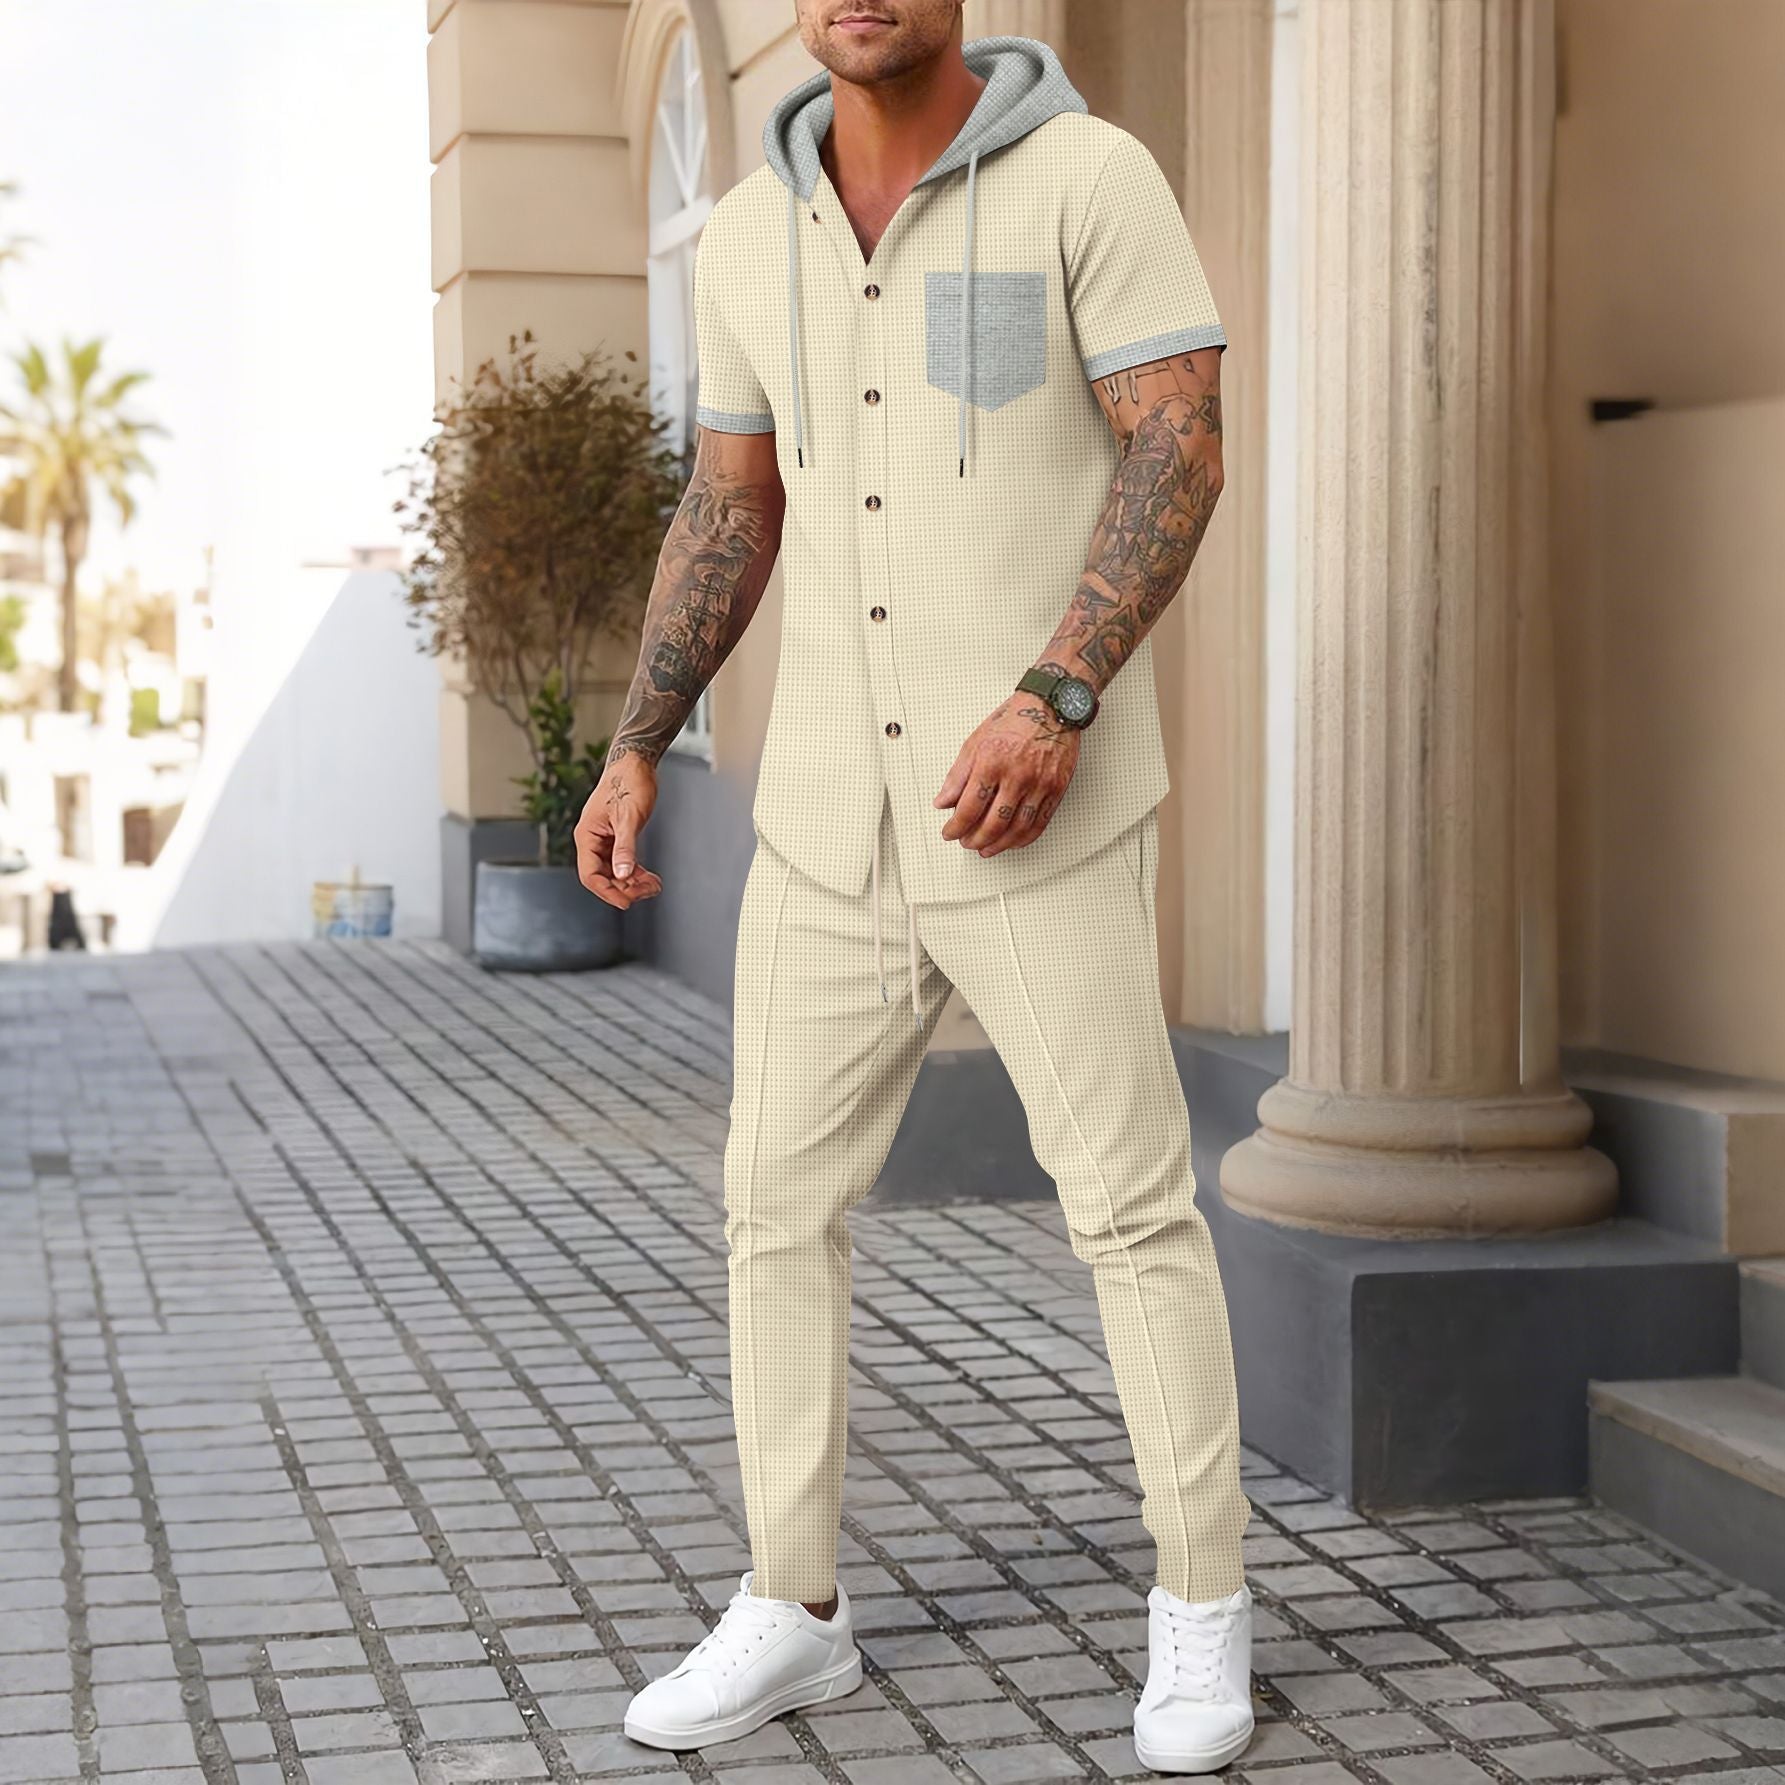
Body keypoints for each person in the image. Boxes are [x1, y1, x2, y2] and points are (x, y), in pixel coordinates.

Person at [576, 2, 1254, 1772]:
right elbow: (731, 504)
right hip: (822, 820)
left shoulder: (1088, 178)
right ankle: (791, 1605)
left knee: (1127, 1210)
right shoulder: (745, 232)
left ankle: (1202, 1603)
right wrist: (638, 739)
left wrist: (1058, 694)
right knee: (768, 1204)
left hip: (1034, 807)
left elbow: (1178, 443)